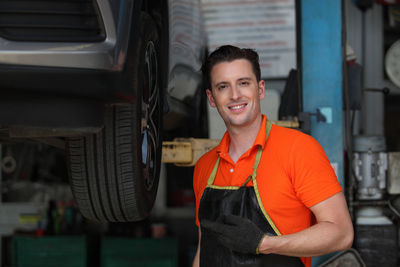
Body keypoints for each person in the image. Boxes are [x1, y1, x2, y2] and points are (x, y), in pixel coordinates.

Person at [192, 45, 353, 267]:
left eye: (243, 83)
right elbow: (205, 248)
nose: (235, 95)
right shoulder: (205, 166)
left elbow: (341, 233)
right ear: (211, 98)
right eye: (223, 86)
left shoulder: (298, 149)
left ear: (260, 89)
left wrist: (263, 243)